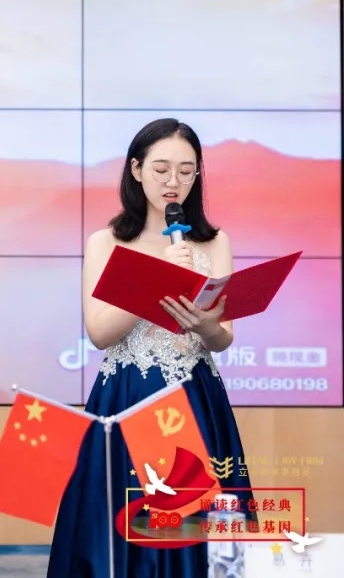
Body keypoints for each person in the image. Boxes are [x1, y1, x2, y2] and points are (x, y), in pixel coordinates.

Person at [48, 118, 255, 577]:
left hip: (196, 398)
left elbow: (223, 338)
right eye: (161, 169)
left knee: (194, 522)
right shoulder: (106, 242)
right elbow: (99, 333)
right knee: (121, 520)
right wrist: (157, 278)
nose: (172, 181)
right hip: (128, 397)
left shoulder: (214, 242)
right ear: (136, 170)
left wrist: (208, 325)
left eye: (186, 170)